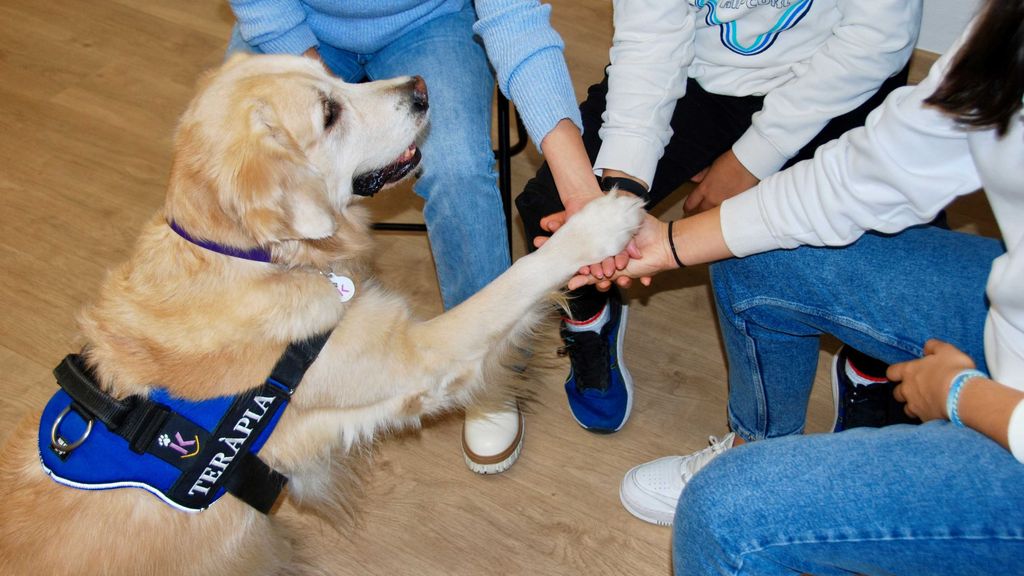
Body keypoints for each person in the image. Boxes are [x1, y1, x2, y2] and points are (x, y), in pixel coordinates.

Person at [568, 0, 1024, 571]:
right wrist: (675, 243)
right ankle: (760, 446)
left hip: (1006, 413)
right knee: (751, 252)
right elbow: (872, 172)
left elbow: (874, 42)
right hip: (1010, 323)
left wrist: (972, 400)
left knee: (722, 518)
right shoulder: (1007, 30)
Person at [224, 0, 606, 474]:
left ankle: (486, 367)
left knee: (458, 168)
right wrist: (334, 103)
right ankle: (264, 364)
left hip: (432, 19)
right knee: (241, 181)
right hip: (290, 24)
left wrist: (580, 190)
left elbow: (516, 20)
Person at [516, 0, 923, 435]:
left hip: (836, 75)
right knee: (552, 207)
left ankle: (871, 368)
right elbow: (651, 38)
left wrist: (752, 156)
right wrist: (623, 191)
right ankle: (590, 318)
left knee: (894, 248)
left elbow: (878, 37)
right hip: (699, 67)